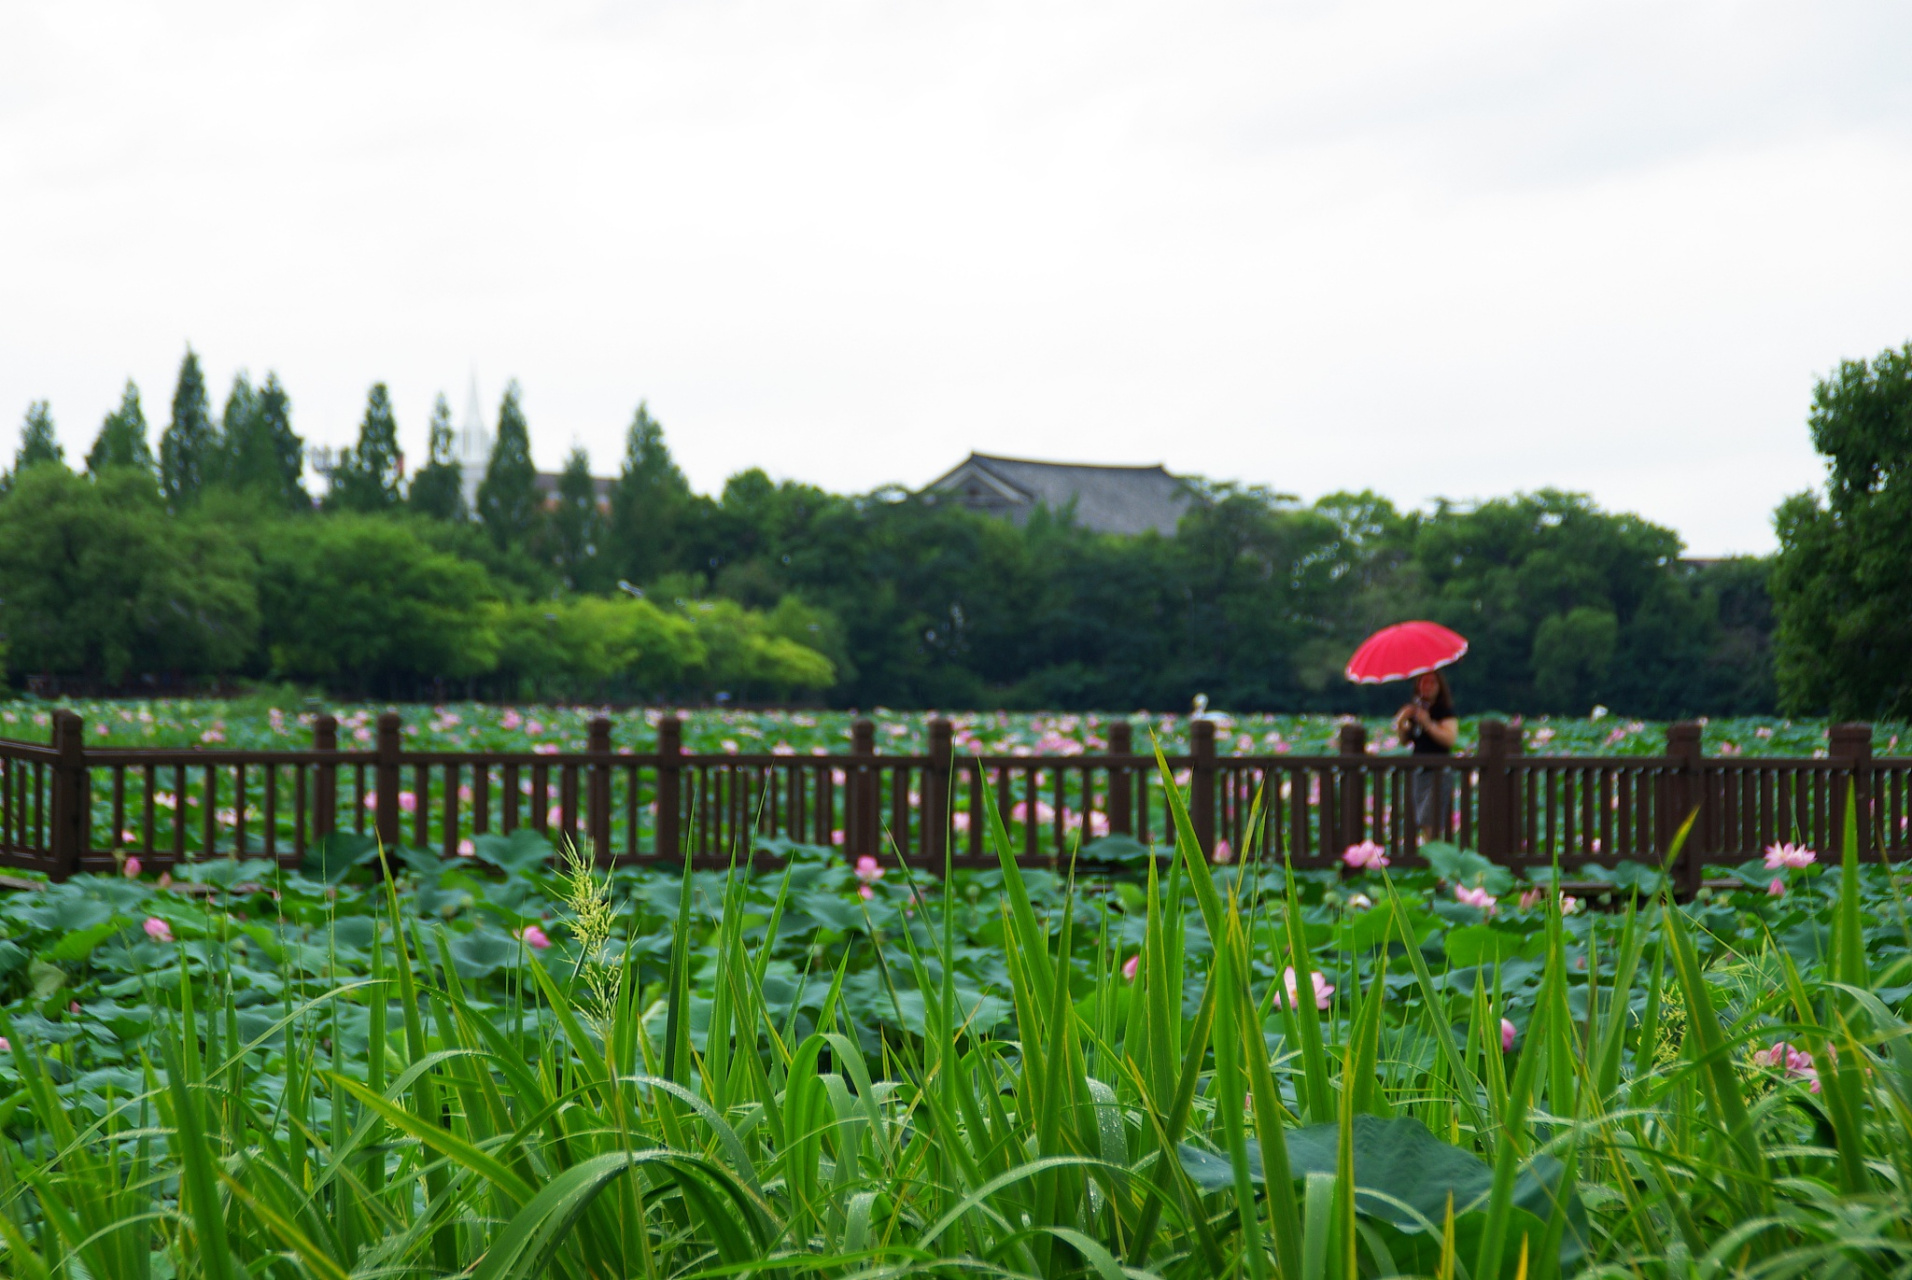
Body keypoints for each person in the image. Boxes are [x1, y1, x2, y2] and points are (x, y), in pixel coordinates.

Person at [1394, 670, 1459, 837]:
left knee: (1431, 818)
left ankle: (1434, 857)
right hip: (1419, 771)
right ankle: (1428, 854)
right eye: (1423, 682)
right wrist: (1401, 721)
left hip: (1439, 772)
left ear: (1439, 687)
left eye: (1432, 682)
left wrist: (1428, 723)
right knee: (1422, 819)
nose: (1427, 686)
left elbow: (1449, 739)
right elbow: (1405, 740)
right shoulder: (1416, 710)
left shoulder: (1445, 711)